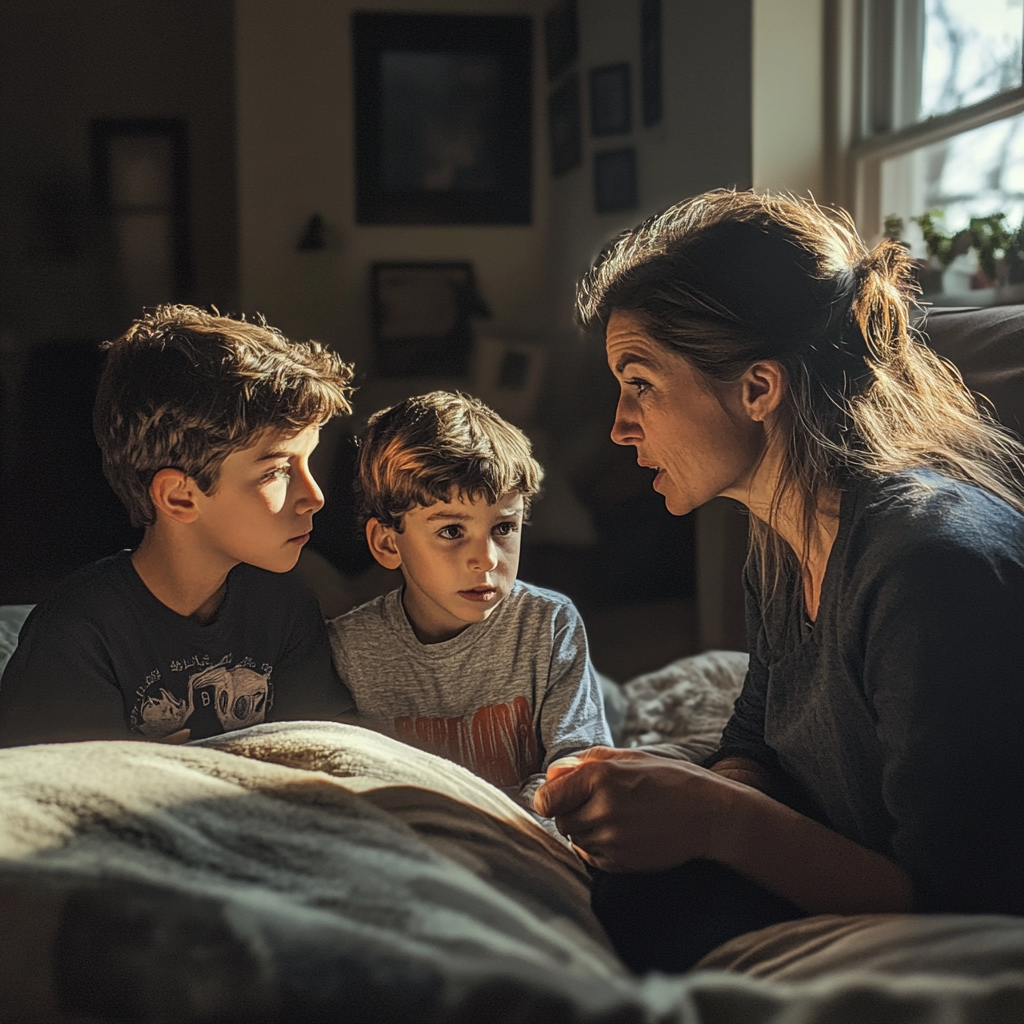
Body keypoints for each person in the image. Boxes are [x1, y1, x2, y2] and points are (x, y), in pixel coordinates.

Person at [534, 190, 1024, 973]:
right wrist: (705, 799)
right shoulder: (785, 529)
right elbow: (758, 730)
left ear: (758, 389)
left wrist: (721, 819)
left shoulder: (930, 572)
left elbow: (971, 905)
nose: (623, 426)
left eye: (640, 382)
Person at [0, 305, 357, 746]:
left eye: (308, 461)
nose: (315, 496)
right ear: (179, 497)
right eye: (276, 471)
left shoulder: (286, 608)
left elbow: (329, 752)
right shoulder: (80, 631)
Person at [327, 391, 611, 809]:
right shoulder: (348, 648)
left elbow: (579, 764)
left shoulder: (549, 624)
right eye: (451, 532)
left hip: (531, 840)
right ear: (388, 543)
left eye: (503, 528)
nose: (487, 559)